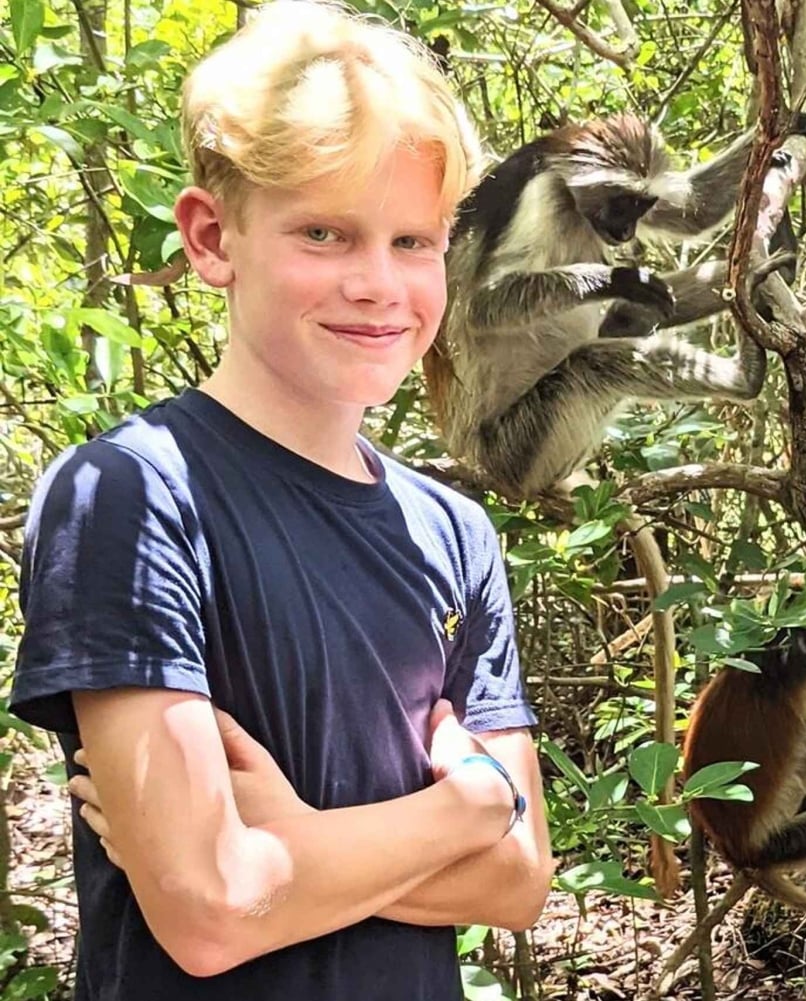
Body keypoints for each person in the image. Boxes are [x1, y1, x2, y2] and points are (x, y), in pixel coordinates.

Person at [8, 2, 553, 997]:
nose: (378, 285)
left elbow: (520, 881)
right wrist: (465, 808)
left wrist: (295, 846)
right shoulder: (128, 497)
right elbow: (213, 911)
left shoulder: (456, 534)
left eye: (412, 241)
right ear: (215, 237)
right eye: (325, 233)